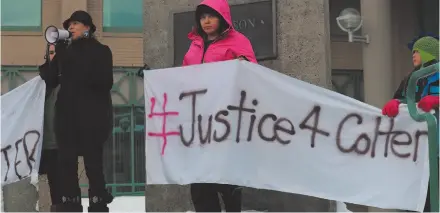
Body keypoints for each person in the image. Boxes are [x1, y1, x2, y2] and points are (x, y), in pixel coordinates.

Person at [181, 0, 257, 211]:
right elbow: (184, 76)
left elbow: (253, 74)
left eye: (211, 16)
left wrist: (245, 66)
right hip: (199, 121)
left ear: (222, 18)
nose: (206, 21)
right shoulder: (195, 45)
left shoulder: (239, 41)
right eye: (203, 17)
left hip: (225, 119)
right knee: (200, 181)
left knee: (225, 178)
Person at [38, 10, 114, 212]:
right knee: (66, 166)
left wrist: (71, 58)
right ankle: (70, 203)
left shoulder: (101, 51)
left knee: (93, 165)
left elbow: (105, 81)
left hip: (91, 118)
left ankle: (98, 202)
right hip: (66, 118)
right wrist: (52, 59)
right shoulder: (65, 52)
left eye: (76, 24)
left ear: (88, 27)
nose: (70, 28)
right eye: (69, 25)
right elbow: (50, 79)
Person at [381, 35, 439, 212]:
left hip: (436, 145)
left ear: (428, 53)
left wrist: (437, 100)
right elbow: (401, 98)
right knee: (415, 194)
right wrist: (396, 103)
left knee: (432, 191)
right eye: (412, 51)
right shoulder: (410, 78)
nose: (413, 55)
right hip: (413, 145)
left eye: (417, 51)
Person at [38, 43, 62, 212]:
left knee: (62, 189)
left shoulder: (69, 80)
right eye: (51, 52)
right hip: (44, 144)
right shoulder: (40, 82)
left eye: (57, 52)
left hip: (62, 144)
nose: (53, 56)